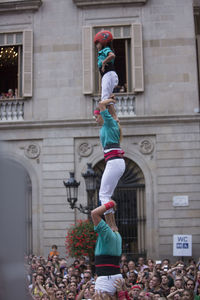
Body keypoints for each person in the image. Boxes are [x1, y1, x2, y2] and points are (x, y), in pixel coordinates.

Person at [94, 99, 125, 226]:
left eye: (96, 117)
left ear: (103, 115)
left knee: (103, 195)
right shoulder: (113, 122)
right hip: (115, 162)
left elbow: (101, 104)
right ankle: (112, 225)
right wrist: (111, 103)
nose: (95, 120)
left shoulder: (109, 123)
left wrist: (109, 99)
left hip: (114, 162)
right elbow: (113, 113)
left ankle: (112, 225)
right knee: (105, 194)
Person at [91, 199, 122, 297]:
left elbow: (111, 221)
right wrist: (111, 204)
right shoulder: (110, 235)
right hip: (107, 278)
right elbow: (94, 213)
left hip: (112, 277)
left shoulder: (116, 233)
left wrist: (109, 206)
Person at [94, 30, 119, 120]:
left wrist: (104, 63)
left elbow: (112, 55)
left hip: (108, 74)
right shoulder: (103, 51)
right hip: (108, 75)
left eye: (97, 43)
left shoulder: (105, 50)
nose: (96, 46)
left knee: (104, 99)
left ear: (102, 42)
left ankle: (115, 117)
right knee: (106, 98)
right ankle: (114, 116)